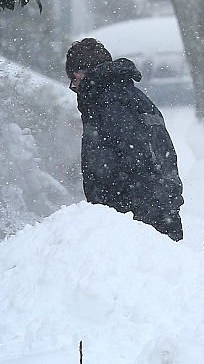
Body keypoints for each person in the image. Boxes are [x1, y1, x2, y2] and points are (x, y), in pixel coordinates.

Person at [66, 37, 185, 241]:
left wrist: (112, 219)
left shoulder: (110, 104)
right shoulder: (130, 97)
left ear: (79, 74)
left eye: (74, 82)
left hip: (139, 226)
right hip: (157, 216)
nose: (75, 88)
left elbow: (133, 166)